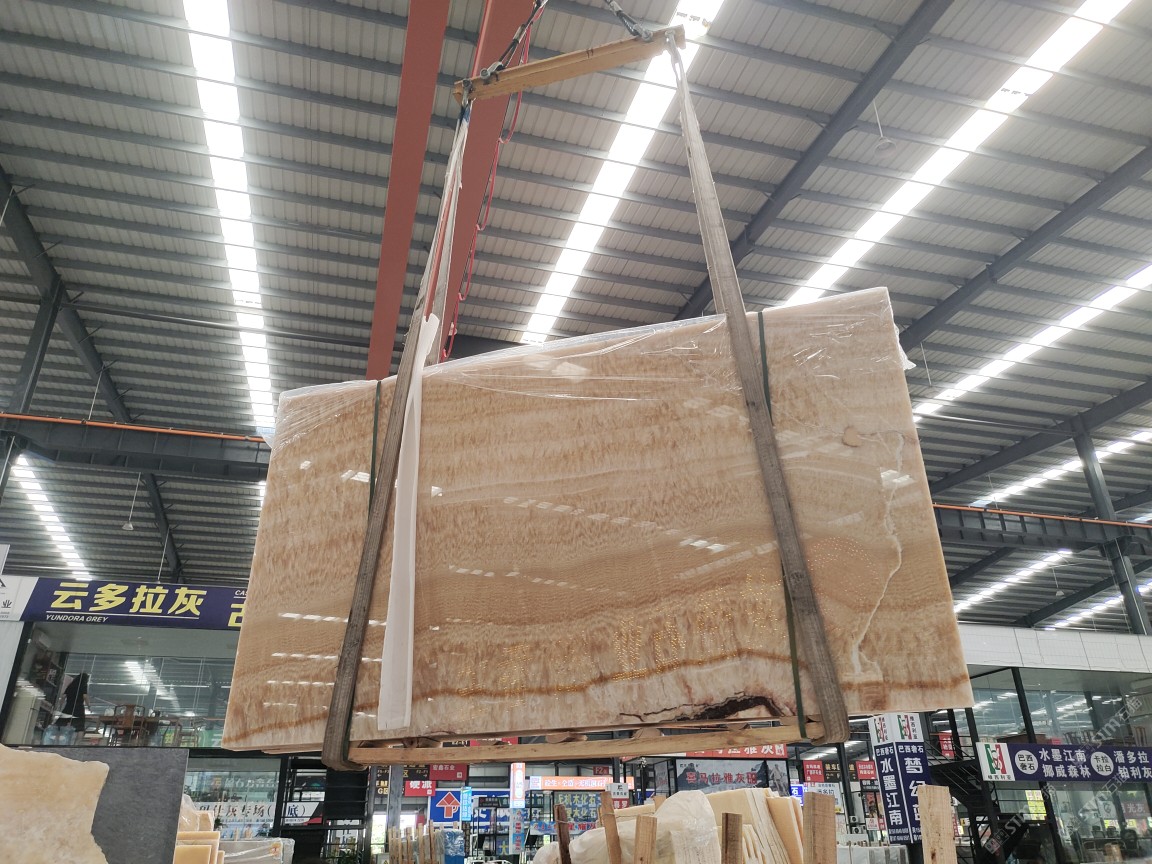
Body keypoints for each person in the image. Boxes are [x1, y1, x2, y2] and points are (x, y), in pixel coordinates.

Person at [54, 672, 90, 745]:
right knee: (80, 727)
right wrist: (89, 705)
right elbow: (85, 696)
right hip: (78, 708)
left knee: (60, 724)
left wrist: (60, 706)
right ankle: (76, 745)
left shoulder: (71, 685)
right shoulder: (83, 685)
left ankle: (56, 741)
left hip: (68, 707)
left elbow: (63, 697)